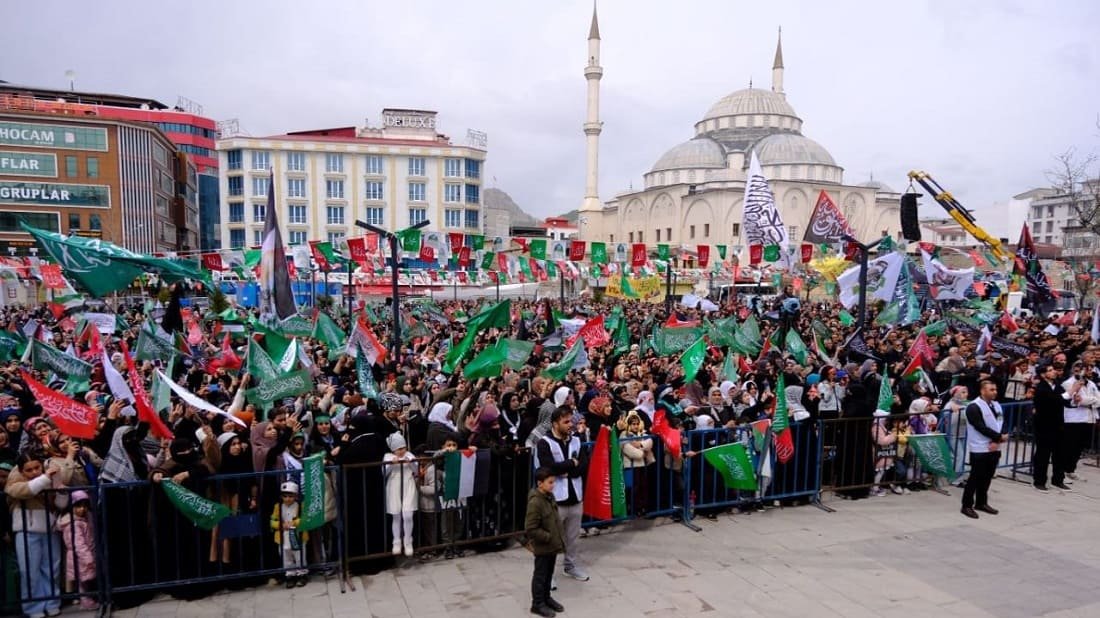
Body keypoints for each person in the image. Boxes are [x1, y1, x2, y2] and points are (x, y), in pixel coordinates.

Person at [532, 406, 588, 582]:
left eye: (571, 421)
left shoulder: (576, 440)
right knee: (551, 539)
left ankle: (570, 566)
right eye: (566, 422)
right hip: (555, 499)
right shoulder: (545, 443)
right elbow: (548, 468)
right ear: (555, 424)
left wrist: (566, 470)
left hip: (575, 496)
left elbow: (583, 465)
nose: (570, 425)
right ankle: (547, 575)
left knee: (572, 538)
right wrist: (571, 463)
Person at [961, 379, 1007, 518]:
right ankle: (966, 505)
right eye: (991, 390)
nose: (995, 392)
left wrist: (1001, 436)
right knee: (975, 477)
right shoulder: (973, 407)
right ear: (982, 391)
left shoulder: (996, 405)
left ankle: (981, 502)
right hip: (980, 448)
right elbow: (980, 426)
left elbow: (1001, 422)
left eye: (995, 389)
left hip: (994, 447)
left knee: (987, 477)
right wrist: (998, 438)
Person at [525, 467, 566, 618]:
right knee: (540, 575)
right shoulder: (535, 502)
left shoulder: (549, 496)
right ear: (540, 483)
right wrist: (548, 537)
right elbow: (531, 528)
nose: (553, 485)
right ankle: (537, 603)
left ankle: (546, 597)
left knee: (549, 573)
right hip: (543, 546)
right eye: (550, 482)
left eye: (553, 482)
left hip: (552, 545)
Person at [57, 490, 97, 610]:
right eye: (78, 506)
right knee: (82, 581)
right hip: (80, 557)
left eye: (85, 506)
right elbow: (78, 544)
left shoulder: (82, 520)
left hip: (82, 555)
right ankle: (86, 602)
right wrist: (88, 558)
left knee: (84, 580)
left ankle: (87, 600)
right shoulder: (73, 524)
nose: (82, 509)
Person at [1032, 362, 1068, 491]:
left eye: (1053, 370)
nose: (1054, 372)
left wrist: (1074, 399)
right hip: (1044, 425)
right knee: (1043, 454)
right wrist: (1070, 392)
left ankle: (1058, 480)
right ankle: (1039, 481)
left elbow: (1065, 401)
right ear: (1043, 374)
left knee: (1059, 453)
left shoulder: (1058, 386)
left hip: (1058, 424)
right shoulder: (1041, 388)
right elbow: (1053, 400)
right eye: (1050, 370)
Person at [383, 432, 417, 557]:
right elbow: (384, 473)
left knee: (408, 514)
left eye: (403, 448)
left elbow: (416, 471)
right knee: (396, 515)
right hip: (394, 485)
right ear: (393, 449)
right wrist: (391, 465)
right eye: (399, 449)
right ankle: (396, 541)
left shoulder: (409, 455)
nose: (402, 451)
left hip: (408, 484)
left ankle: (408, 541)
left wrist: (411, 463)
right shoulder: (387, 457)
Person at [271, 481, 309, 588]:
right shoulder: (278, 507)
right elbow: (272, 521)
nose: (287, 499)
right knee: (286, 557)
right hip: (283, 536)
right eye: (285, 496)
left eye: (290, 496)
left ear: (296, 496)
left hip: (297, 536)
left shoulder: (300, 506)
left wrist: (294, 523)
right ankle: (290, 575)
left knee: (299, 556)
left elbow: (305, 519)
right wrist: (281, 525)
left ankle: (302, 574)